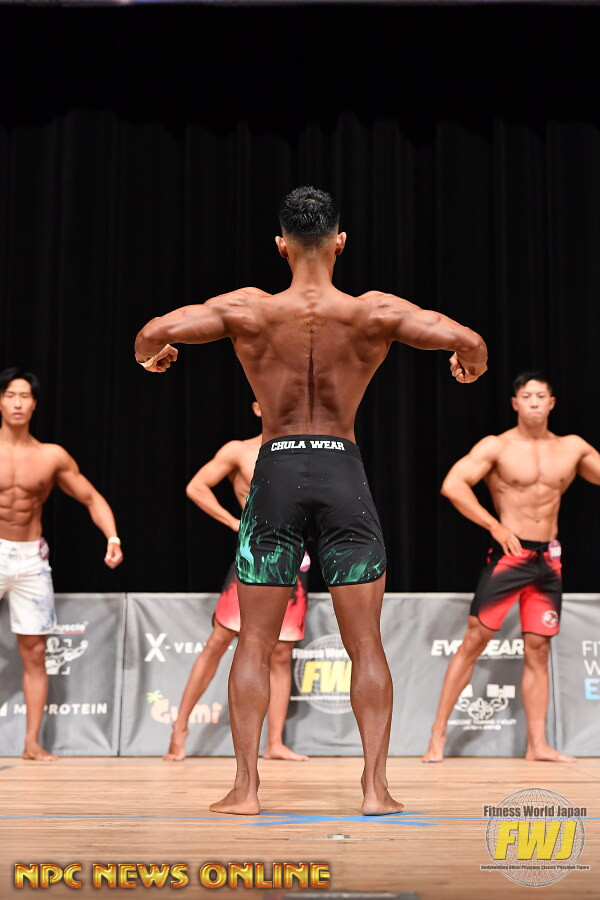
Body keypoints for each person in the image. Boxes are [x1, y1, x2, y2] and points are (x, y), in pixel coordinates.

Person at [134, 186, 487, 814]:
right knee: (366, 644)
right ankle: (375, 791)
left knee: (253, 643)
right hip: (341, 472)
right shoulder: (373, 312)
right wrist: (468, 366)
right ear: (340, 243)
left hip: (274, 472)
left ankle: (246, 790)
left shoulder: (249, 309)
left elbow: (150, 333)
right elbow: (470, 341)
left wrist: (155, 357)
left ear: (281, 246)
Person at [423, 372, 600, 764]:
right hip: (510, 557)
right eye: (527, 395)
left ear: (552, 403)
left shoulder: (571, 448)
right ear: (515, 403)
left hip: (548, 561)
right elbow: (453, 484)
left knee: (538, 648)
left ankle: (537, 745)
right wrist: (495, 526)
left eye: (541, 395)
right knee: (475, 640)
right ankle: (437, 735)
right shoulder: (497, 446)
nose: (534, 401)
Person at [164, 399, 309, 763]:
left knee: (281, 652)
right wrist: (234, 522)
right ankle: (179, 727)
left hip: (295, 556)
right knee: (219, 640)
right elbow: (196, 487)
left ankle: (274, 743)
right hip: (254, 553)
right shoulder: (239, 451)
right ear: (258, 407)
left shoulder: (303, 452)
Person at [0, 367, 123, 761]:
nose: (17, 403)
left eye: (24, 396)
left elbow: (91, 497)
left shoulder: (50, 456)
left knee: (35, 652)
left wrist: (112, 537)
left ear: (34, 404)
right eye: (10, 395)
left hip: (31, 561)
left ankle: (32, 743)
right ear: (0, 401)